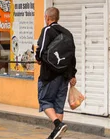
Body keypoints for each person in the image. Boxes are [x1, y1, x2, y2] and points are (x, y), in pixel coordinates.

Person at [35, 7, 77, 139]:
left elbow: (40, 50)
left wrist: (38, 58)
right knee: (58, 106)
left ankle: (58, 125)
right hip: (64, 76)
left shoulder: (47, 30)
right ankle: (57, 134)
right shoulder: (67, 33)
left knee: (45, 101)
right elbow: (72, 56)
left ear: (47, 17)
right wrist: (72, 74)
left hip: (49, 75)